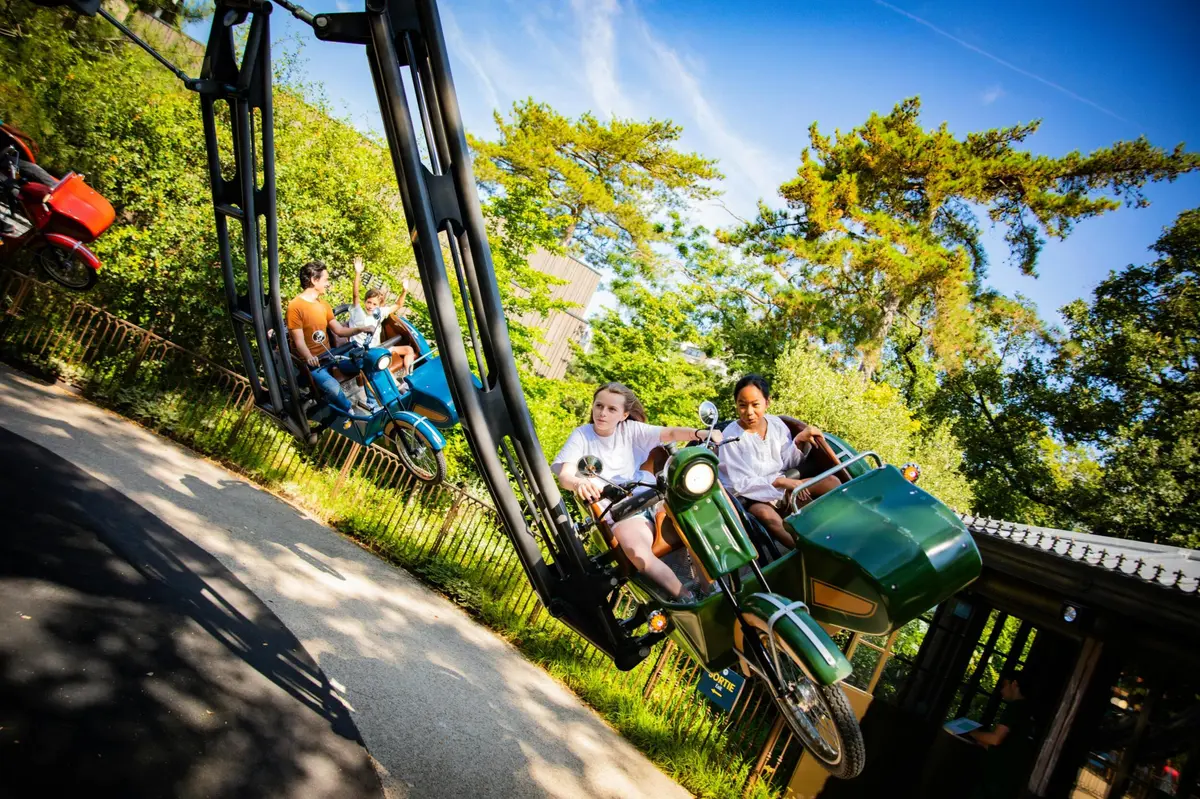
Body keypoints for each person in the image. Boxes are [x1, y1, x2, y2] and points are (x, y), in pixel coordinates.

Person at [551, 382, 722, 601]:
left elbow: (669, 432)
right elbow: (565, 474)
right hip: (622, 510)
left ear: (624, 415)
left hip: (654, 496)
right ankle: (687, 598)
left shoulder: (630, 430)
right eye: (599, 406)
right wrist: (579, 484)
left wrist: (700, 432)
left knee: (697, 521)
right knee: (638, 554)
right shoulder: (582, 435)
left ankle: (714, 588)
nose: (602, 413)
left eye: (611, 409)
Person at [717, 374, 840, 548]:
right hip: (754, 497)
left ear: (767, 402)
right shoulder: (730, 437)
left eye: (755, 404)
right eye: (742, 405)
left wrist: (799, 440)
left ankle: (840, 530)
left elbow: (788, 462)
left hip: (784, 485)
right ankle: (804, 552)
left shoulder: (775, 424)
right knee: (768, 517)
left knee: (831, 481)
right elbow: (741, 483)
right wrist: (783, 481)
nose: (749, 412)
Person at [285, 260, 373, 412]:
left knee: (368, 361)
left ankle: (373, 404)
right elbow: (299, 341)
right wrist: (308, 357)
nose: (328, 284)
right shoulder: (295, 306)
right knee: (333, 388)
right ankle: (350, 413)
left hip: (331, 355)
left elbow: (339, 330)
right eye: (325, 280)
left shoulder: (323, 305)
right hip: (313, 363)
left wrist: (361, 328)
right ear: (314, 280)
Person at [968, 672, 1041, 799]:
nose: (1001, 690)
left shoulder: (1015, 708)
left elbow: (996, 739)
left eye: (1004, 685)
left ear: (1014, 684)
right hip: (1012, 779)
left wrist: (971, 733)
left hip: (997, 779)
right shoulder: (1029, 711)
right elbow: (1012, 747)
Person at [347, 256, 416, 375]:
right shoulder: (357, 311)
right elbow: (355, 295)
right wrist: (358, 273)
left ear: (378, 306)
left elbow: (398, 305)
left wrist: (404, 291)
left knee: (409, 350)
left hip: (378, 348)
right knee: (380, 366)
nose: (370, 306)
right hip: (363, 353)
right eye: (369, 302)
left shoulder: (380, 313)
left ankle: (408, 376)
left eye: (374, 304)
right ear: (365, 302)